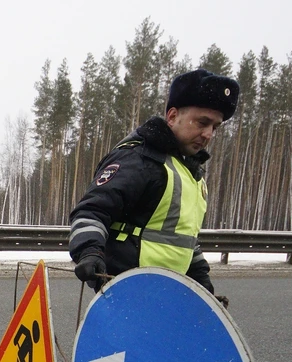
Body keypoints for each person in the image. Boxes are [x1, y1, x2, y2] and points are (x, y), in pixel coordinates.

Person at [68, 69, 239, 304]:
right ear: (172, 116)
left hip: (168, 300)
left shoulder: (191, 175)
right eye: (202, 122)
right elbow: (91, 212)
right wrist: (89, 253)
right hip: (128, 297)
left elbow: (184, 241)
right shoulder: (139, 159)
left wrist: (204, 293)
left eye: (215, 127)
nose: (208, 134)